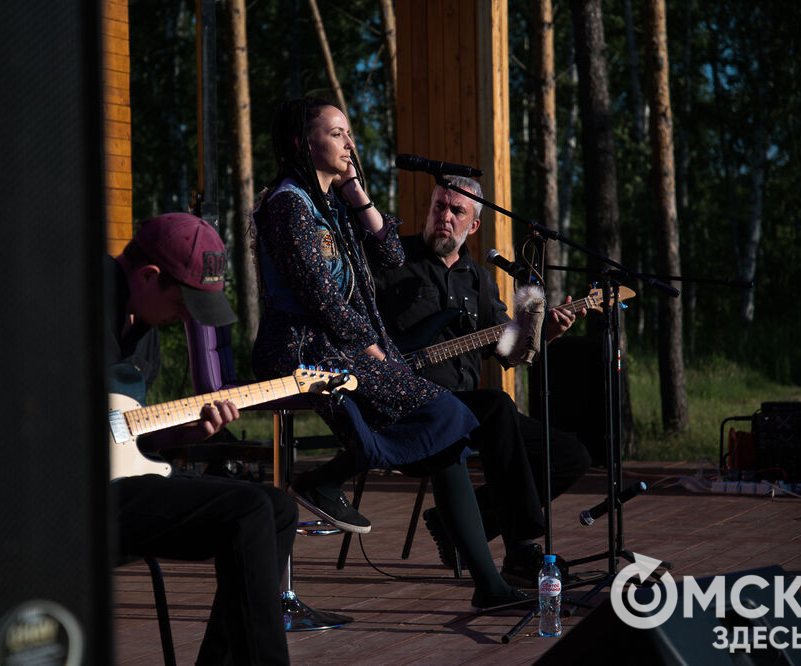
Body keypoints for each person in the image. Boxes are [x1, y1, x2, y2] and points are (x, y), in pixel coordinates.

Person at [250, 96, 526, 609]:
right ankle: (324, 480)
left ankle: (489, 588)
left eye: (350, 132)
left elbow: (392, 253)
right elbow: (320, 296)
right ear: (301, 143)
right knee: (444, 410)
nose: (349, 143)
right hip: (304, 349)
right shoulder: (288, 203)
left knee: (445, 431)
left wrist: (356, 192)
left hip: (340, 344)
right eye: (336, 133)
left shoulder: (333, 202)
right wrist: (372, 347)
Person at [373, 177, 592, 585]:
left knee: (571, 455)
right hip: (409, 407)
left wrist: (547, 333)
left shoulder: (479, 281)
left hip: (468, 413)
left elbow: (508, 352)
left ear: (472, 226)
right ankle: (521, 551)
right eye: (440, 206)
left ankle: (457, 522)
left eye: (457, 212)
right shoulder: (392, 261)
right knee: (497, 407)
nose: (445, 217)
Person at [108, 212, 296, 665]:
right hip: (64, 498)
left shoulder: (144, 324)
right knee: (248, 511)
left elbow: (123, 432)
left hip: (120, 479)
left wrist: (186, 430)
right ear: (149, 275)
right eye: (184, 302)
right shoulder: (67, 305)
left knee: (277, 508)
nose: (187, 317)